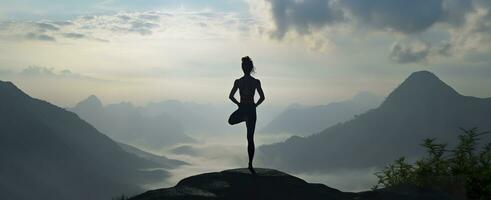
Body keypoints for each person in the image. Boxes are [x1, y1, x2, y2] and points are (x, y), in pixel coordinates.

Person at [228, 56, 265, 174]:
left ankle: (250, 163)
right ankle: (250, 164)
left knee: (232, 121)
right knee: (250, 138)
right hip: (251, 110)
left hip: (243, 108)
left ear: (244, 68)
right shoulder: (255, 82)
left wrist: (239, 104)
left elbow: (231, 96)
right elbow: (262, 97)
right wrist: (255, 105)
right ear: (250, 68)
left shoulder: (238, 82)